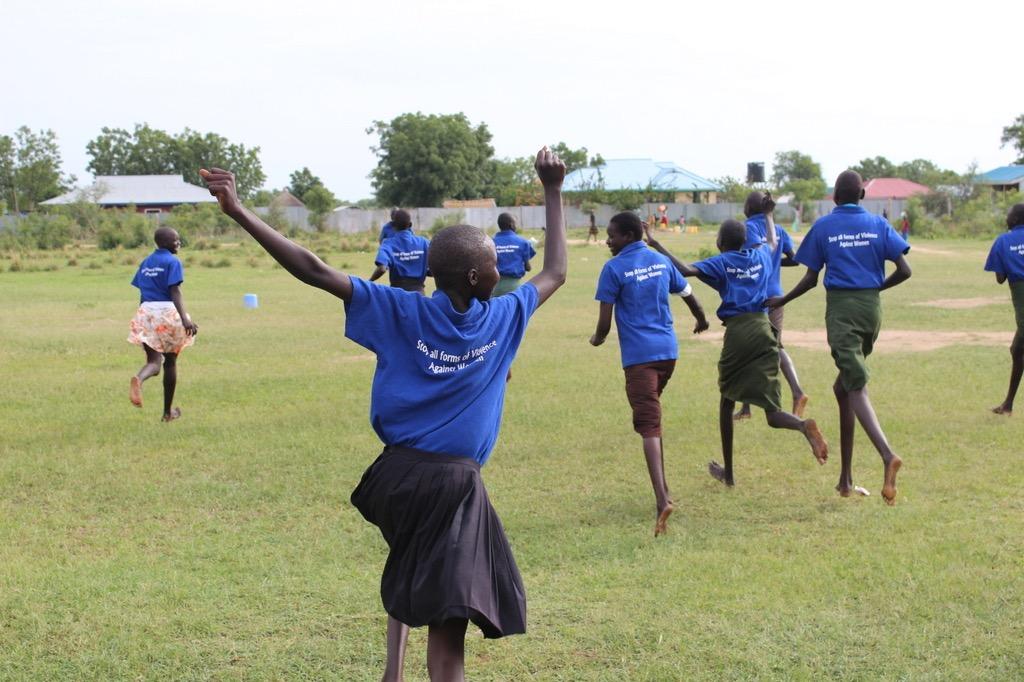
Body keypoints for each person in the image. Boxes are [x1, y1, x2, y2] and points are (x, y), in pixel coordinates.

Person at [201, 147, 567, 682]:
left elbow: (314, 269)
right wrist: (552, 189)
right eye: (493, 263)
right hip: (453, 485)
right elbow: (555, 271)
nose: (501, 268)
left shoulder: (401, 308)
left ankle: (392, 672)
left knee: (413, 563)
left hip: (396, 476)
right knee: (449, 624)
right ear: (475, 277)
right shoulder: (505, 317)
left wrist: (239, 211)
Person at [645, 206, 828, 488]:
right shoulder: (761, 256)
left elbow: (684, 270)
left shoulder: (721, 262)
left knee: (726, 400)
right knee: (772, 412)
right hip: (765, 329)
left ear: (720, 242)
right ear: (745, 240)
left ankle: (729, 474)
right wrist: (769, 216)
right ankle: (803, 425)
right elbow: (773, 243)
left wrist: (656, 243)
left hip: (739, 332)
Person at [766, 170, 911, 504]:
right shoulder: (878, 224)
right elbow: (904, 270)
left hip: (842, 313)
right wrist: (875, 288)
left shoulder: (824, 226)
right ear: (862, 195)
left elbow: (810, 278)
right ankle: (845, 479)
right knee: (842, 387)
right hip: (871, 312)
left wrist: (783, 299)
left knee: (855, 384)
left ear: (834, 197)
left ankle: (887, 455)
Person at [590, 211, 709, 536]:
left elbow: (604, 323)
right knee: (652, 418)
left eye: (612, 235)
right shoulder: (660, 260)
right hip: (668, 354)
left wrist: (597, 339)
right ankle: (664, 490)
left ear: (628, 236)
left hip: (640, 359)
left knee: (649, 427)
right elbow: (687, 292)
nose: (607, 240)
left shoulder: (614, 268)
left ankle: (662, 500)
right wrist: (701, 318)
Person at [733, 191, 808, 421]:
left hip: (756, 297)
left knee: (757, 347)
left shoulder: (747, 229)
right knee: (770, 346)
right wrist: (774, 263)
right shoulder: (778, 229)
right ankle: (748, 407)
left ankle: (795, 393)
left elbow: (751, 258)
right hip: (777, 296)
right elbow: (794, 259)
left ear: (748, 208)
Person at [127, 227, 198, 422]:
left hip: (146, 312)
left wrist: (143, 318)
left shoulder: (146, 262)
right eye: (176, 240)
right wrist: (185, 319)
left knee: (153, 363)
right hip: (167, 312)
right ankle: (167, 413)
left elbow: (142, 293)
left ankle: (139, 379)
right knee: (170, 362)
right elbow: (175, 291)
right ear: (166, 243)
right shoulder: (172, 262)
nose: (179, 243)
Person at [984, 203, 1024, 416]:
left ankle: (1008, 404)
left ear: (1015, 219)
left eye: (1008, 215)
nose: (1006, 218)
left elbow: (1000, 278)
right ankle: (1008, 404)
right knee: (1017, 350)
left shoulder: (1002, 241)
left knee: (1019, 350)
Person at [369, 209, 430, 293]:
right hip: (419, 294)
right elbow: (434, 265)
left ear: (393, 225)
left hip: (397, 294)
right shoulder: (424, 242)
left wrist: (370, 281)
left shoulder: (388, 244)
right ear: (410, 225)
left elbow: (382, 268)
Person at [491, 212, 536, 296]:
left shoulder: (490, 243)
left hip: (495, 287)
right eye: (515, 223)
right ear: (511, 225)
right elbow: (528, 268)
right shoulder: (523, 242)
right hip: (514, 287)